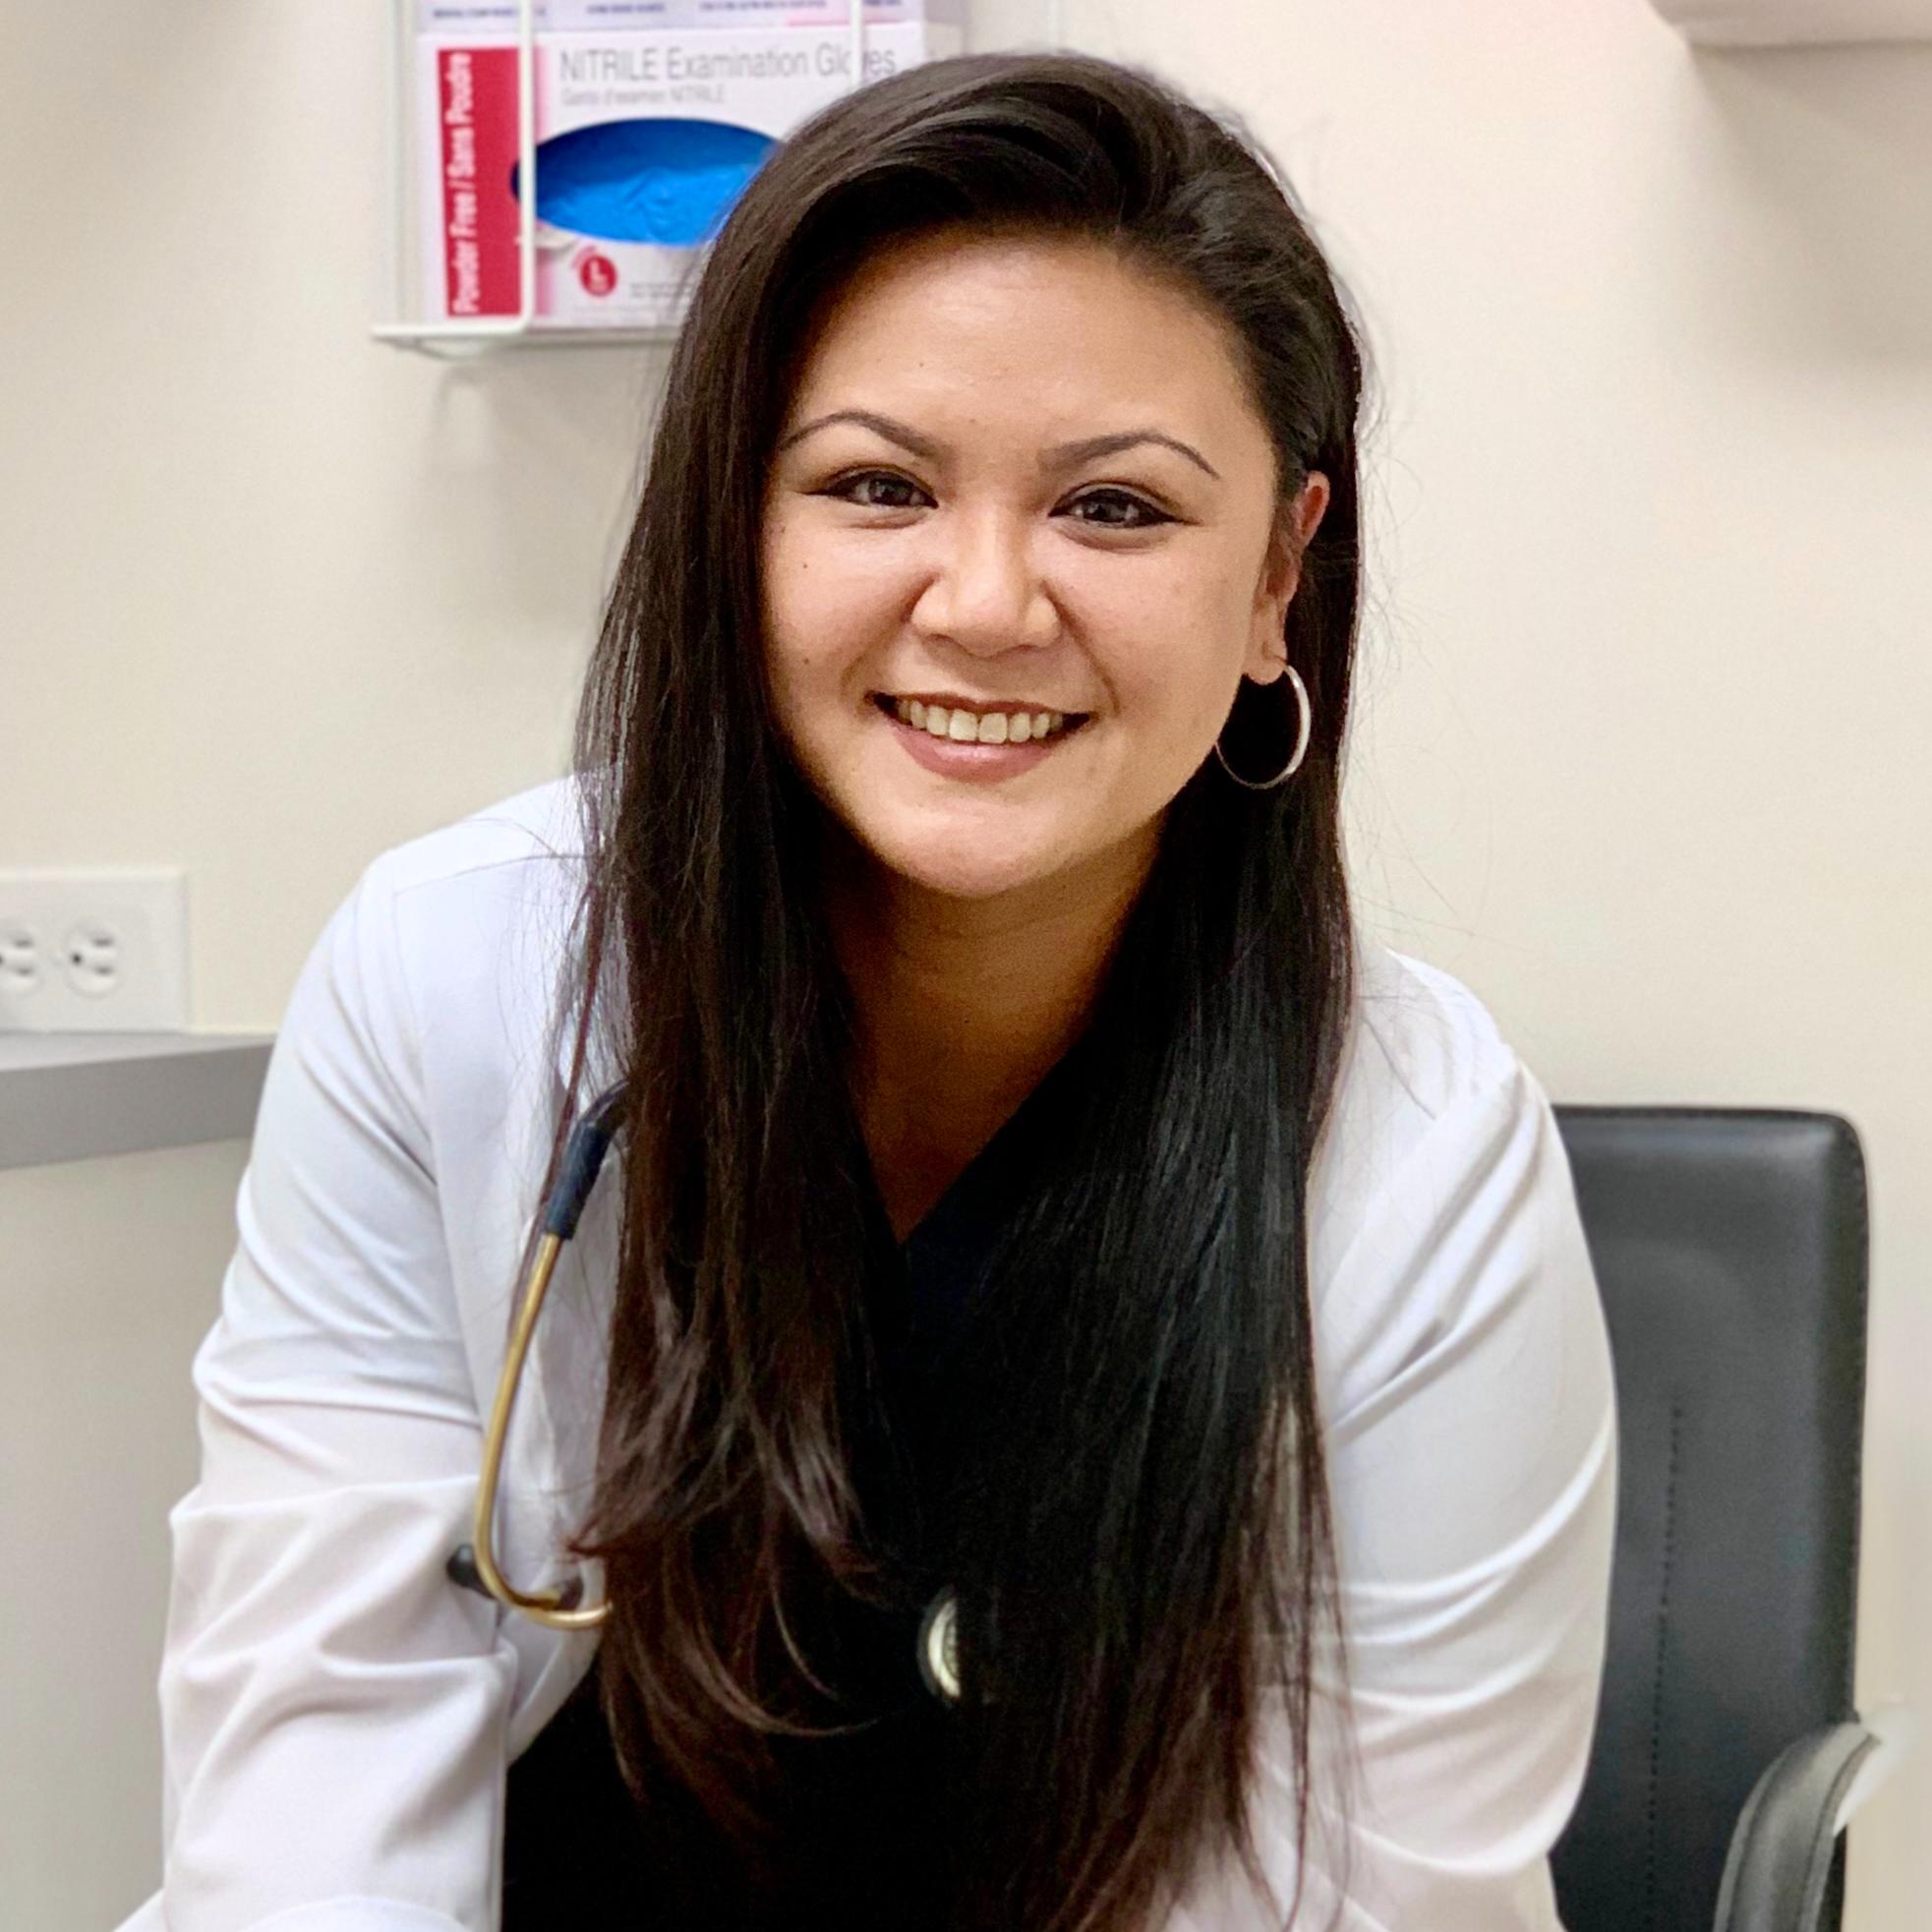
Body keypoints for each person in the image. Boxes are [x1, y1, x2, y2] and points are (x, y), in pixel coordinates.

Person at [118, 48, 1616, 1932]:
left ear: (1274, 581)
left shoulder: (1415, 1148)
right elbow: (307, 1787)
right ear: (734, 531)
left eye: (1116, 509)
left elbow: (1367, 1894)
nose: (984, 602)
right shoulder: (452, 982)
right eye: (875, 484)